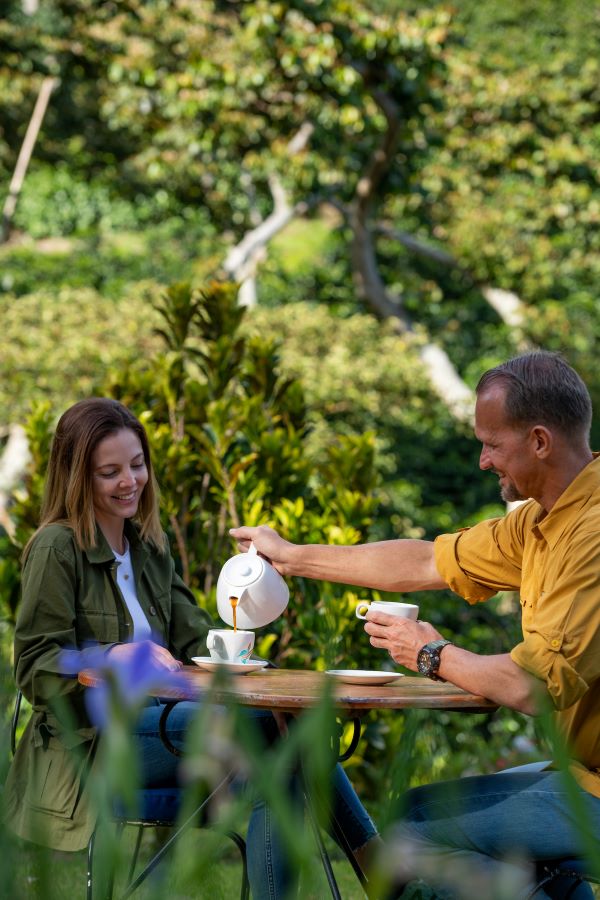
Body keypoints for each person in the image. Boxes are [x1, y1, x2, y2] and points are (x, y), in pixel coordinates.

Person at [231, 350, 600, 899]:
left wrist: (433, 654)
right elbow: (426, 561)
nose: (482, 460)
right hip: (580, 775)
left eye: (492, 444)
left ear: (540, 441)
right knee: (417, 818)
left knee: (412, 832)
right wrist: (289, 557)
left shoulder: (591, 534)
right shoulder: (540, 521)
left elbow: (532, 686)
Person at [3, 397, 379, 899]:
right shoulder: (57, 547)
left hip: (164, 725)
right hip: (92, 743)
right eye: (109, 472)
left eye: (137, 466)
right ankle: (384, 873)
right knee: (275, 729)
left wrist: (251, 593)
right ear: (77, 477)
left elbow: (198, 640)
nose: (129, 482)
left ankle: (381, 873)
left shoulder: (148, 548)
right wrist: (108, 656)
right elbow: (33, 669)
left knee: (292, 728)